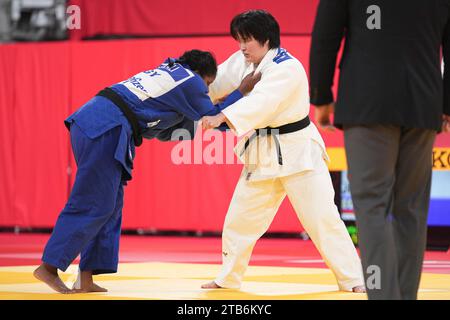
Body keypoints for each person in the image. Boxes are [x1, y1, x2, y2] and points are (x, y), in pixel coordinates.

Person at [33, 49, 261, 294]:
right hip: (106, 125)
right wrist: (242, 90)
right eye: (207, 85)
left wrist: (217, 118)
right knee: (94, 203)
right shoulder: (191, 80)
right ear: (203, 75)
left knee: (109, 204)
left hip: (100, 123)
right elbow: (214, 117)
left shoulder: (169, 73)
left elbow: (172, 129)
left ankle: (85, 278)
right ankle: (49, 266)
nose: (205, 91)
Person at [200, 10, 365, 293]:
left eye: (247, 40)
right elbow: (215, 84)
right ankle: (227, 278)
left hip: (298, 153)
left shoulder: (287, 68)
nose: (241, 47)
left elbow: (261, 103)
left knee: (322, 219)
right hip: (263, 155)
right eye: (238, 40)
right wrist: (192, 92)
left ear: (265, 39)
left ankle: (354, 280)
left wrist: (221, 117)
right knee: (239, 220)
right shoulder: (242, 61)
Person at [309, 0, 450, 299]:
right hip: (423, 104)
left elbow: (325, 35)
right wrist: (447, 105)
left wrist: (321, 95)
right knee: (411, 208)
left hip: (368, 102)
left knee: (372, 204)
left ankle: (385, 296)